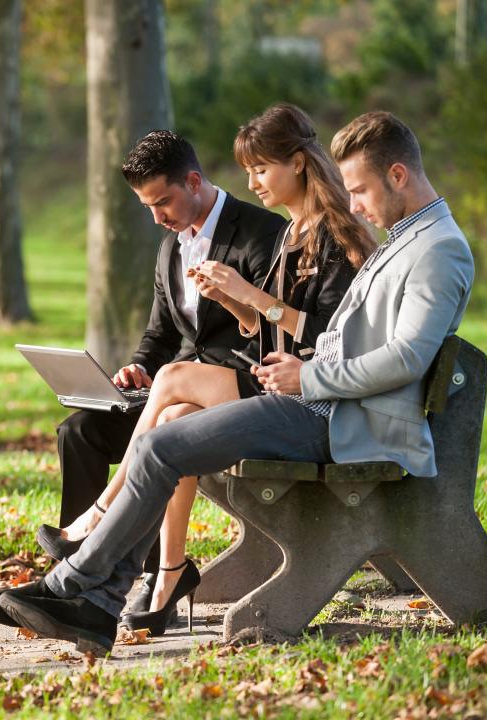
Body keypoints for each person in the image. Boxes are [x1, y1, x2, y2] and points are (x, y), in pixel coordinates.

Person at [0, 110, 475, 657]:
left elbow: (405, 359)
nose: (353, 202)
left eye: (360, 189)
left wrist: (307, 374)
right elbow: (351, 338)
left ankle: (76, 593)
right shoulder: (406, 238)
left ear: (398, 175)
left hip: (344, 420)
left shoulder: (438, 249)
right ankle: (88, 600)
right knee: (159, 442)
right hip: (322, 404)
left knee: (162, 445)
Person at [34, 103, 375, 635]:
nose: (254, 182)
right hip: (255, 386)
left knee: (173, 384)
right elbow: (182, 334)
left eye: (261, 169)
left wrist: (248, 297)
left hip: (291, 396)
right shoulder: (279, 235)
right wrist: (237, 309)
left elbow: (329, 339)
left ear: (299, 164)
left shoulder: (296, 234)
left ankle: (99, 521)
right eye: (249, 172)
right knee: (144, 421)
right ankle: (155, 578)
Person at [0, 131, 282, 628]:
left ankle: (99, 555)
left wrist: (227, 310)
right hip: (175, 386)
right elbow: (161, 337)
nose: (157, 216)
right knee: (81, 431)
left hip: (237, 390)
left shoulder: (261, 233)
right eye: (146, 206)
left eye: (163, 201)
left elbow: (271, 333)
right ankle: (70, 580)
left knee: (169, 423)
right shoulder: (170, 250)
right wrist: (139, 367)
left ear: (194, 182)